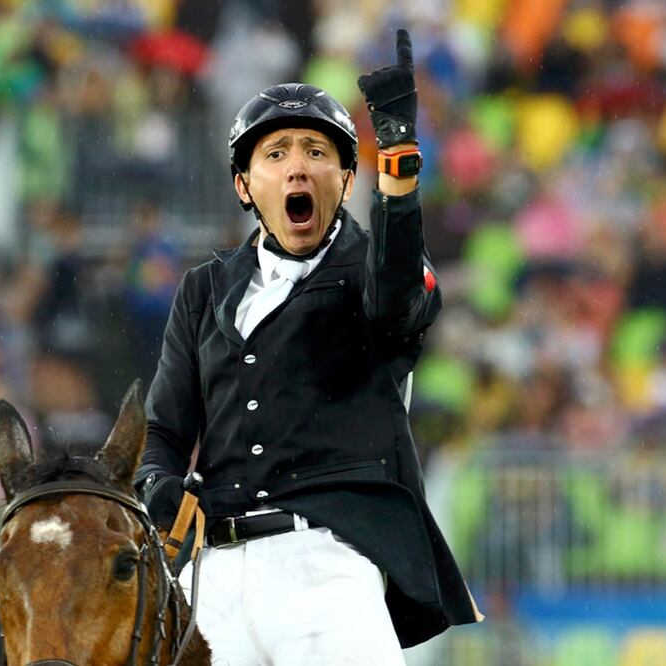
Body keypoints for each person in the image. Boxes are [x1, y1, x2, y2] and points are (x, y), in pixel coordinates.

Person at [135, 30, 481, 664]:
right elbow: (164, 430)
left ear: (347, 179)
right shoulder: (201, 289)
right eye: (276, 153)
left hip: (326, 561)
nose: (297, 164)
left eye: (317, 151)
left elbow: (402, 301)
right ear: (245, 186)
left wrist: (400, 166)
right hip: (213, 575)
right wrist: (156, 480)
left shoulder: (375, 269)